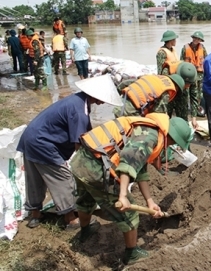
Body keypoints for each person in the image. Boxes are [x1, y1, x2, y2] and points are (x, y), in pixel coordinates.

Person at [71, 115, 191, 265]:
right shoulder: (150, 138)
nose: (170, 146)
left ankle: (85, 230)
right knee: (130, 214)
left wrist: (150, 202)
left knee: (86, 199)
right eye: (174, 142)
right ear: (171, 137)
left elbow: (140, 171)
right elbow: (128, 163)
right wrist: (122, 195)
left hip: (80, 161)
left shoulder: (149, 128)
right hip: (96, 169)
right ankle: (132, 253)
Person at [16, 74, 123, 230]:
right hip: (43, 144)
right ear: (96, 94)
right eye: (103, 98)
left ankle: (35, 216)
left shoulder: (77, 100)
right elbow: (80, 144)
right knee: (64, 179)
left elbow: (88, 134)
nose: (103, 102)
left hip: (30, 138)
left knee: (35, 179)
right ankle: (71, 219)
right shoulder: (79, 111)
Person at [112, 74, 185, 117]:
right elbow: (158, 113)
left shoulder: (153, 77)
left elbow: (124, 83)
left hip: (120, 105)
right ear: (177, 87)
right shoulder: (167, 91)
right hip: (130, 112)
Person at [180, 31, 208, 117]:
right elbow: (181, 61)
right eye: (195, 38)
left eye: (198, 39)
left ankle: (197, 110)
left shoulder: (202, 48)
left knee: (198, 94)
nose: (196, 40)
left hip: (199, 75)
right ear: (192, 38)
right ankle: (186, 110)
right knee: (186, 93)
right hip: (188, 75)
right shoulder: (185, 48)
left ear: (200, 40)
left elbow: (207, 61)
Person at [165, 62, 199, 129]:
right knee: (165, 123)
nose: (187, 86)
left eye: (188, 84)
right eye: (185, 84)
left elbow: (194, 96)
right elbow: (162, 94)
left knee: (184, 124)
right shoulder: (167, 72)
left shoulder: (192, 75)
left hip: (182, 95)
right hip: (169, 95)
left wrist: (194, 117)